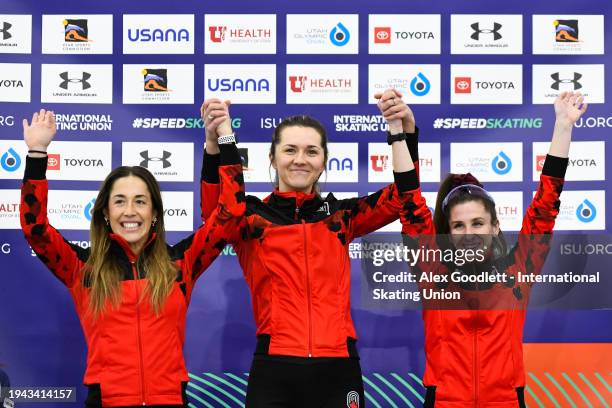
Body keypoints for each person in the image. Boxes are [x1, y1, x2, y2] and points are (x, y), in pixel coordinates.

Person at [199, 90, 421, 407]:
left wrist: (404, 133)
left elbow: (404, 197)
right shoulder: (249, 218)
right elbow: (213, 216)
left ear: (323, 162)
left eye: (311, 151)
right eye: (290, 150)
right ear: (272, 159)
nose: (300, 159)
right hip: (275, 366)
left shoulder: (342, 216)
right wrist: (214, 143)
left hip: (338, 366)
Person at [19, 109, 244, 407]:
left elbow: (230, 214)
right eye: (120, 202)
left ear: (154, 214)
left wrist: (221, 142)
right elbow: (35, 229)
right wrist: (37, 153)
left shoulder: (181, 262)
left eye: (141, 201)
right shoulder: (81, 269)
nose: (130, 212)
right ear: (105, 213)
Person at [399, 91, 587, 407]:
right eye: (459, 226)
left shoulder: (518, 271)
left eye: (478, 223)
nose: (469, 233)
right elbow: (411, 208)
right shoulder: (433, 274)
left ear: (495, 227)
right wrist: (401, 135)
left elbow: (545, 206)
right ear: (447, 233)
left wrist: (563, 126)